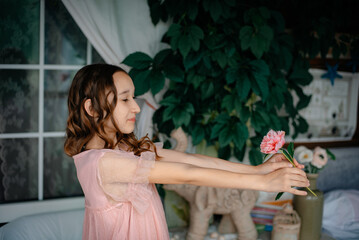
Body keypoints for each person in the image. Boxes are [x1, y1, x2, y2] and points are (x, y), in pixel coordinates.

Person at [64, 63, 309, 240]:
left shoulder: (124, 148)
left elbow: (191, 159)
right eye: (125, 99)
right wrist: (264, 183)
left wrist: (257, 170)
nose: (136, 107)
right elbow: (187, 174)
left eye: (134, 98)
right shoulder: (102, 162)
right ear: (92, 109)